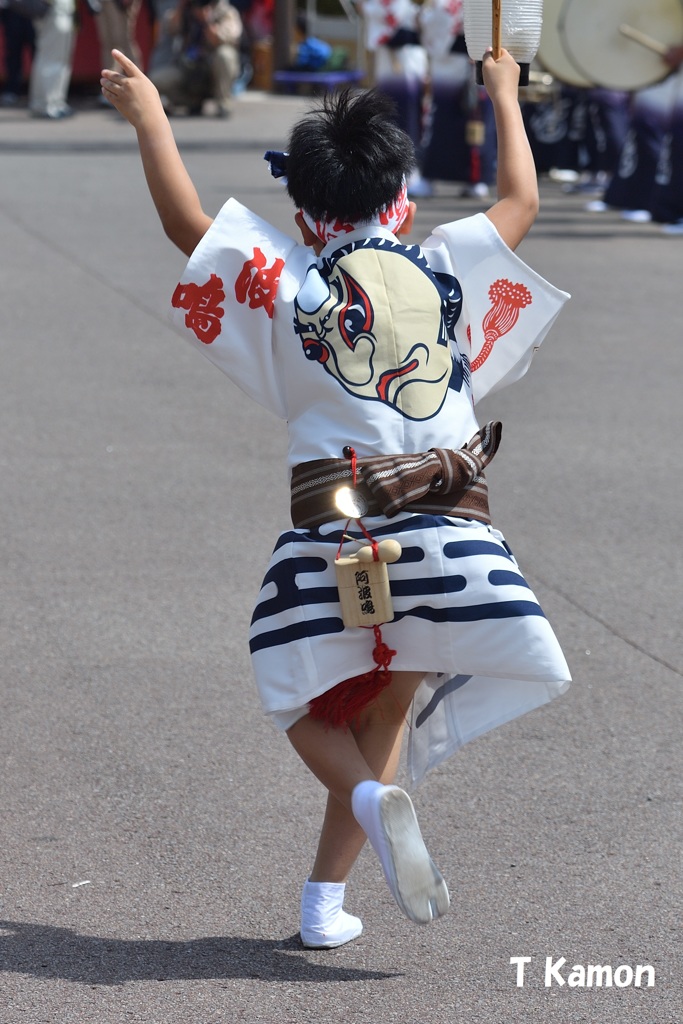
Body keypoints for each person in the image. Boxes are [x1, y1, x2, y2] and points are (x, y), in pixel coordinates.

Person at [101, 45, 571, 947]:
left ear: (304, 211)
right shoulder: (442, 266)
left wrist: (151, 116)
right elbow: (522, 199)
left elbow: (186, 225)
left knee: (293, 690)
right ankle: (324, 905)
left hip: (338, 530)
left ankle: (361, 800)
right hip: (455, 535)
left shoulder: (290, 282)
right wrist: (504, 94)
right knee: (392, 695)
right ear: (401, 196)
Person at [149, 0, 241, 117]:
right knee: (156, 80)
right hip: (189, 67)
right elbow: (170, 28)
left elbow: (222, 37)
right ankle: (192, 102)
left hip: (212, 70)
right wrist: (181, 7)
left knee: (225, 55)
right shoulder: (186, 10)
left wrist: (207, 20)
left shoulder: (225, 12)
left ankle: (223, 103)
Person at [28, 0, 75, 118]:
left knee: (60, 60)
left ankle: (56, 102)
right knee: (50, 59)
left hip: (62, 9)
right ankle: (45, 104)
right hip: (53, 10)